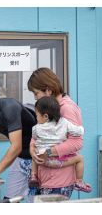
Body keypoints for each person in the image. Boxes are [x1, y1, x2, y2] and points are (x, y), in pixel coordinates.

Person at [27, 67, 85, 199]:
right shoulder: (47, 106)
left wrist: (47, 151)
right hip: (43, 178)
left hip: (59, 180)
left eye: (36, 93)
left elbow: (76, 142)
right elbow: (38, 131)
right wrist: (32, 149)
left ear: (48, 90)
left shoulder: (67, 108)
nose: (35, 98)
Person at [29, 96, 91, 193]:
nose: (36, 118)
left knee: (34, 153)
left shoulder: (36, 128)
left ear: (45, 116)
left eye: (36, 115)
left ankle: (33, 176)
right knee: (80, 158)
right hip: (59, 162)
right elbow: (78, 132)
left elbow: (34, 139)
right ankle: (79, 181)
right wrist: (81, 129)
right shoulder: (64, 123)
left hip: (42, 161)